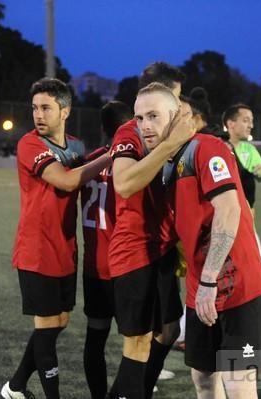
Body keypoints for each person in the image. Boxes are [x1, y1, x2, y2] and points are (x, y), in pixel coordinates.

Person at [1, 77, 110, 399]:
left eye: (46, 108)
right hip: (36, 251)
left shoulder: (75, 146)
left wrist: (113, 150)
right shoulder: (29, 144)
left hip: (64, 249)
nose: (38, 114)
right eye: (34, 108)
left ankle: (15, 386)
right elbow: (64, 180)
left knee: (58, 321)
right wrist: (109, 157)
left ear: (65, 110)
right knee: (47, 332)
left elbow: (86, 164)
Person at [162, 91, 261, 399]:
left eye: (176, 114)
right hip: (200, 288)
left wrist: (209, 280)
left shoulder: (208, 147)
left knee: (239, 382)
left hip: (239, 287)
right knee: (204, 378)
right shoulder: (165, 164)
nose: (153, 123)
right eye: (143, 117)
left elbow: (229, 208)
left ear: (193, 120)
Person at [107, 64, 194, 399]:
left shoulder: (171, 133)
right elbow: (124, 184)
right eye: (176, 96)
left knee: (169, 330)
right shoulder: (130, 133)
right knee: (138, 343)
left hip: (161, 250)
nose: (145, 124)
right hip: (134, 252)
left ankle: (139, 390)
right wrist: (170, 144)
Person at [81, 101, 132, 399]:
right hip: (126, 268)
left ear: (102, 128)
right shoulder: (132, 163)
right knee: (137, 342)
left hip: (94, 267)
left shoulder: (90, 162)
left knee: (95, 339)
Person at [222, 103, 261, 348]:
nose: (250, 124)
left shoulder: (248, 150)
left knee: (258, 273)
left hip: (247, 220)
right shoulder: (217, 148)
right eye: (245, 119)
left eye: (251, 119)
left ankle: (257, 327)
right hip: (226, 220)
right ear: (230, 123)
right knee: (219, 276)